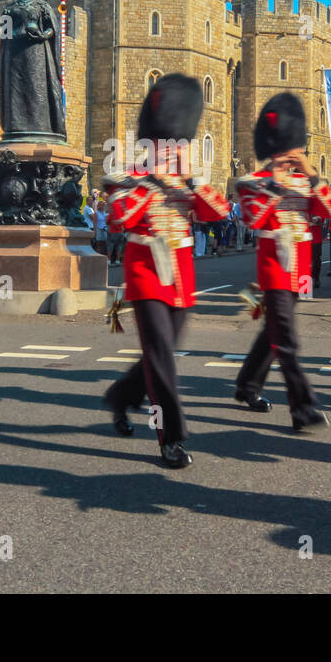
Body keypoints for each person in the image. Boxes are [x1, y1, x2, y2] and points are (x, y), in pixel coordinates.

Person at [102, 74, 230, 469]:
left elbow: (219, 214)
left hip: (182, 278)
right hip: (145, 275)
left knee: (161, 355)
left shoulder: (187, 180)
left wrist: (192, 183)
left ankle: (122, 396)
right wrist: (153, 181)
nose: (175, 150)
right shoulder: (128, 176)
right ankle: (170, 438)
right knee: (162, 359)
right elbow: (119, 219)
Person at [233, 93, 331, 430]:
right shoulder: (253, 182)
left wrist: (309, 171)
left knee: (274, 332)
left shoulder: (305, 182)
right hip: (273, 265)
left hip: (300, 266)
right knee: (287, 339)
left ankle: (248, 384)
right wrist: (275, 186)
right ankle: (302, 406)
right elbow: (253, 219)